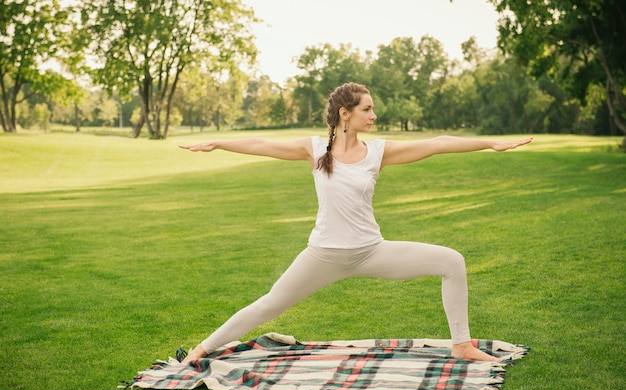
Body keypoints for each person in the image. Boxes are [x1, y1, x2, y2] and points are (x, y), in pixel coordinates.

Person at [179, 82, 532, 362]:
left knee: (452, 261)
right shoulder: (314, 148)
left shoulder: (378, 152)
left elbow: (437, 143)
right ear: (345, 114)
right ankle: (201, 349)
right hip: (323, 255)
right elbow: (259, 143)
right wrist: (218, 142)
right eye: (368, 108)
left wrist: (489, 143)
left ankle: (461, 345)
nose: (374, 115)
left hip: (370, 251)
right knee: (269, 304)